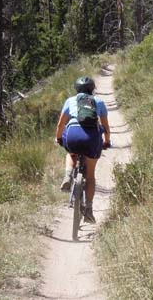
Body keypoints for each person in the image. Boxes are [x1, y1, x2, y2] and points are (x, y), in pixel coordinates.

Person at [55, 76, 111, 223]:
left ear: (77, 89)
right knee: (90, 176)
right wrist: (107, 141)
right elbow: (105, 126)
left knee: (71, 153)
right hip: (92, 137)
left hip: (73, 133)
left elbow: (60, 124)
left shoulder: (70, 101)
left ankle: (67, 176)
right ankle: (89, 210)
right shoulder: (98, 102)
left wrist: (59, 138)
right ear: (92, 89)